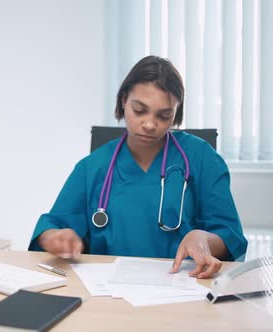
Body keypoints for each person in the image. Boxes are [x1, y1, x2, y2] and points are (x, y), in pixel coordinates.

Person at [28, 55, 247, 279]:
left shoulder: (202, 158)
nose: (150, 124)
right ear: (124, 100)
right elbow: (52, 226)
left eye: (164, 115)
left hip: (184, 287)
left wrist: (204, 239)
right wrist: (55, 238)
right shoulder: (92, 167)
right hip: (107, 293)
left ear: (175, 113)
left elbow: (230, 236)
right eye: (139, 110)